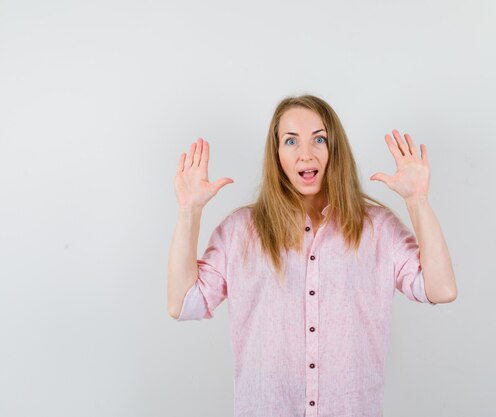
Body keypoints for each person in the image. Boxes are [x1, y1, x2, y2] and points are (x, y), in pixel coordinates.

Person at [167, 94, 457, 417]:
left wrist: (418, 201)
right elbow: (183, 303)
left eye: (319, 139)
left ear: (335, 149)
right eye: (291, 141)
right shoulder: (240, 232)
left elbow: (441, 288)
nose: (306, 153)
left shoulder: (378, 230)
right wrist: (189, 211)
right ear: (276, 155)